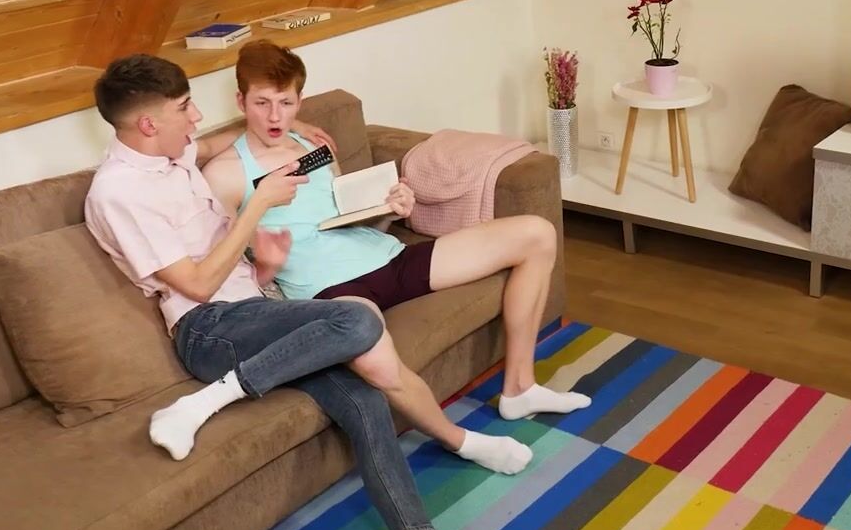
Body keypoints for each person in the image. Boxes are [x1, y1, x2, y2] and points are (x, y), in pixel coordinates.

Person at [82, 54, 528, 530]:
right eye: (185, 107)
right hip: (207, 329)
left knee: (364, 401)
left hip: (256, 309)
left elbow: (228, 137)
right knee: (356, 318)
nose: (196, 117)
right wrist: (258, 204)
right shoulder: (119, 193)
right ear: (148, 124)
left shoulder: (173, 154)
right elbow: (200, 287)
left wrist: (293, 126)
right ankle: (200, 403)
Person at [201, 39, 591, 427]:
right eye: (262, 103)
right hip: (331, 292)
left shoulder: (315, 145)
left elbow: (349, 221)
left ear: (299, 101)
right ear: (241, 102)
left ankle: (519, 388)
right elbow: (227, 275)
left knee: (537, 234)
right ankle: (454, 438)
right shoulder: (224, 173)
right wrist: (266, 267)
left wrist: (390, 210)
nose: (275, 116)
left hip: (389, 256)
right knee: (373, 349)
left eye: (285, 103)